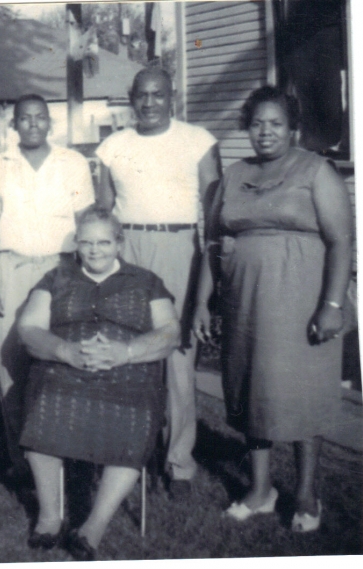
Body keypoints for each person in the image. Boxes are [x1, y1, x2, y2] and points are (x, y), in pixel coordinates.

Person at [193, 86, 353, 532]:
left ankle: (305, 492)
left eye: (275, 124)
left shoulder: (315, 169)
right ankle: (261, 490)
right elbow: (212, 242)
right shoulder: (234, 174)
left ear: (293, 129)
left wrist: (332, 304)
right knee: (249, 390)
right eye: (258, 123)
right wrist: (203, 302)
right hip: (244, 300)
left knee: (303, 391)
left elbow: (341, 240)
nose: (265, 132)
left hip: (302, 298)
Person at [18, 207, 180, 560]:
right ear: (76, 244)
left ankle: (94, 526)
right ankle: (49, 516)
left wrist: (127, 352)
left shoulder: (146, 280)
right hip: (64, 364)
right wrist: (65, 351)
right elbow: (29, 329)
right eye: (86, 243)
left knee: (134, 411)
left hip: (130, 367)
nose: (94, 251)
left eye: (103, 243)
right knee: (46, 400)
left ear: (119, 243)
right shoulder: (56, 277)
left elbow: (170, 332)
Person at [96, 67, 221, 499]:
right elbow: (104, 208)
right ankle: (130, 451)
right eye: (141, 96)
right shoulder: (113, 146)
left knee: (177, 356)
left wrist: (211, 270)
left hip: (178, 246)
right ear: (131, 98)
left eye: (158, 95)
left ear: (172, 97)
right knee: (127, 350)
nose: (149, 103)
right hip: (128, 249)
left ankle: (179, 462)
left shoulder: (198, 141)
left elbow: (214, 211)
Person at [0, 94, 95, 481]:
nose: (32, 124)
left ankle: (66, 458)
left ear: (50, 124)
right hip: (10, 268)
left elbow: (85, 223)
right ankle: (23, 462)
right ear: (13, 125)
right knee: (11, 363)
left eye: (39, 118)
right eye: (24, 119)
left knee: (60, 363)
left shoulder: (73, 163)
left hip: (59, 270)